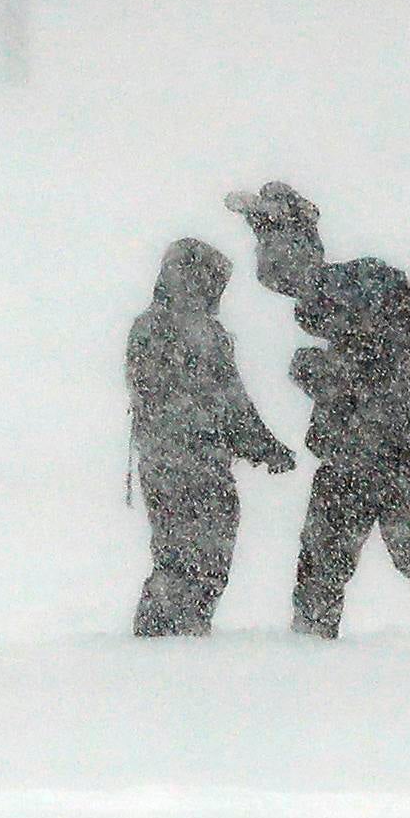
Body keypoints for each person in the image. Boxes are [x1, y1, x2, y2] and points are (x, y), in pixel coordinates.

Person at [226, 180, 410, 640]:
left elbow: (373, 383)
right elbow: (312, 295)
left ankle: (312, 646)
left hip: (358, 464)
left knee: (329, 567)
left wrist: (322, 371)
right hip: (400, 469)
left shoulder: (401, 320)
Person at [125, 237, 296, 635]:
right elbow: (229, 403)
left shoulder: (146, 327)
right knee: (206, 553)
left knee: (172, 553)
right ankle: (183, 631)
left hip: (159, 464)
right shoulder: (204, 334)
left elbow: (162, 396)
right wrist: (265, 448)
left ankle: (157, 637)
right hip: (199, 466)